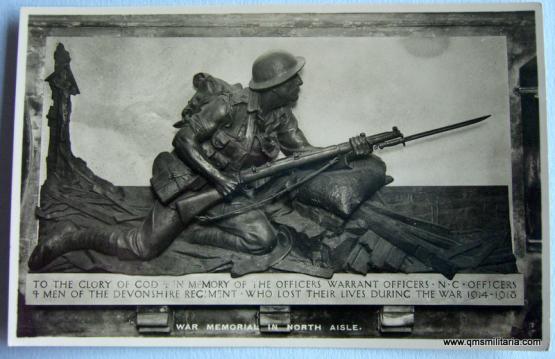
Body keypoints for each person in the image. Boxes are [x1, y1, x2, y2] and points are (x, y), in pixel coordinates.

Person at [28, 50, 372, 270]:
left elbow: (303, 154)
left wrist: (348, 149)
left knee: (262, 240)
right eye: (293, 79)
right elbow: (184, 139)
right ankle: (71, 236)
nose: (299, 84)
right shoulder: (228, 105)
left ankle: (187, 232)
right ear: (275, 85)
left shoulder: (281, 117)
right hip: (190, 186)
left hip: (230, 195)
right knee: (141, 247)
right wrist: (217, 177)